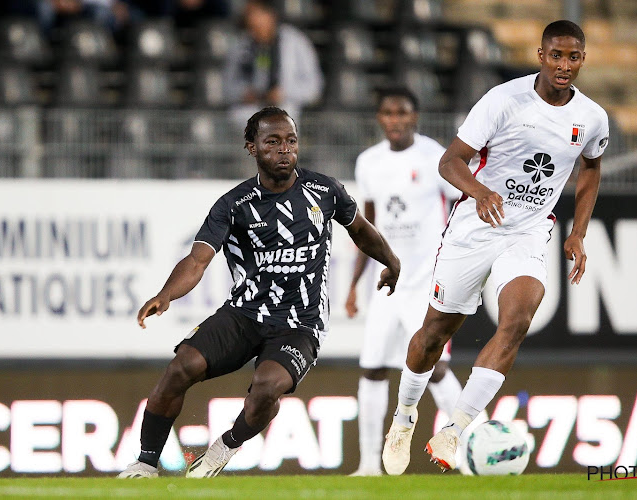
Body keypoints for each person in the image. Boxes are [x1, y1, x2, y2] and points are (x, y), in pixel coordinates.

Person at [118, 106, 400, 478]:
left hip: (300, 322)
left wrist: (391, 262)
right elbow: (198, 259)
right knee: (180, 367)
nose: (285, 150)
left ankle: (225, 447)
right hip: (245, 313)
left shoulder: (324, 190)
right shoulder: (234, 204)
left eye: (291, 141)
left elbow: (361, 230)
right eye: (273, 142)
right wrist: (167, 294)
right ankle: (145, 464)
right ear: (251, 148)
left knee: (268, 387)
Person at [381, 20, 609, 474]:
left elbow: (591, 169)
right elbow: (450, 161)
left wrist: (578, 231)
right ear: (541, 55)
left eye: (574, 57)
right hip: (474, 227)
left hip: (526, 232)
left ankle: (454, 431)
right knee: (434, 334)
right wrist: (481, 192)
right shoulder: (504, 100)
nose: (564, 65)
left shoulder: (592, 118)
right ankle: (404, 419)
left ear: (582, 59)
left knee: (519, 318)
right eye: (556, 55)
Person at [345, 87, 463, 476]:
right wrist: (352, 285)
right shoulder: (368, 162)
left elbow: (460, 210)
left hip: (427, 280)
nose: (395, 120)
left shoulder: (435, 157)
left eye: (402, 113)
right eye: (388, 113)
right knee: (373, 368)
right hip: (386, 282)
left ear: (415, 116)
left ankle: (469, 452)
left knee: (435, 367)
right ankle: (367, 466)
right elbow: (367, 226)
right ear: (380, 118)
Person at [223, 0, 323, 129]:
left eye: (258, 16)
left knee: (283, 119)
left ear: (271, 15)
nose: (255, 24)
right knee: (239, 117)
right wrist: (243, 93)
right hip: (250, 110)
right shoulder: (241, 45)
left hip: (287, 107)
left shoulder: (295, 42)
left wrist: (284, 93)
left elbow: (314, 88)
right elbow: (226, 87)